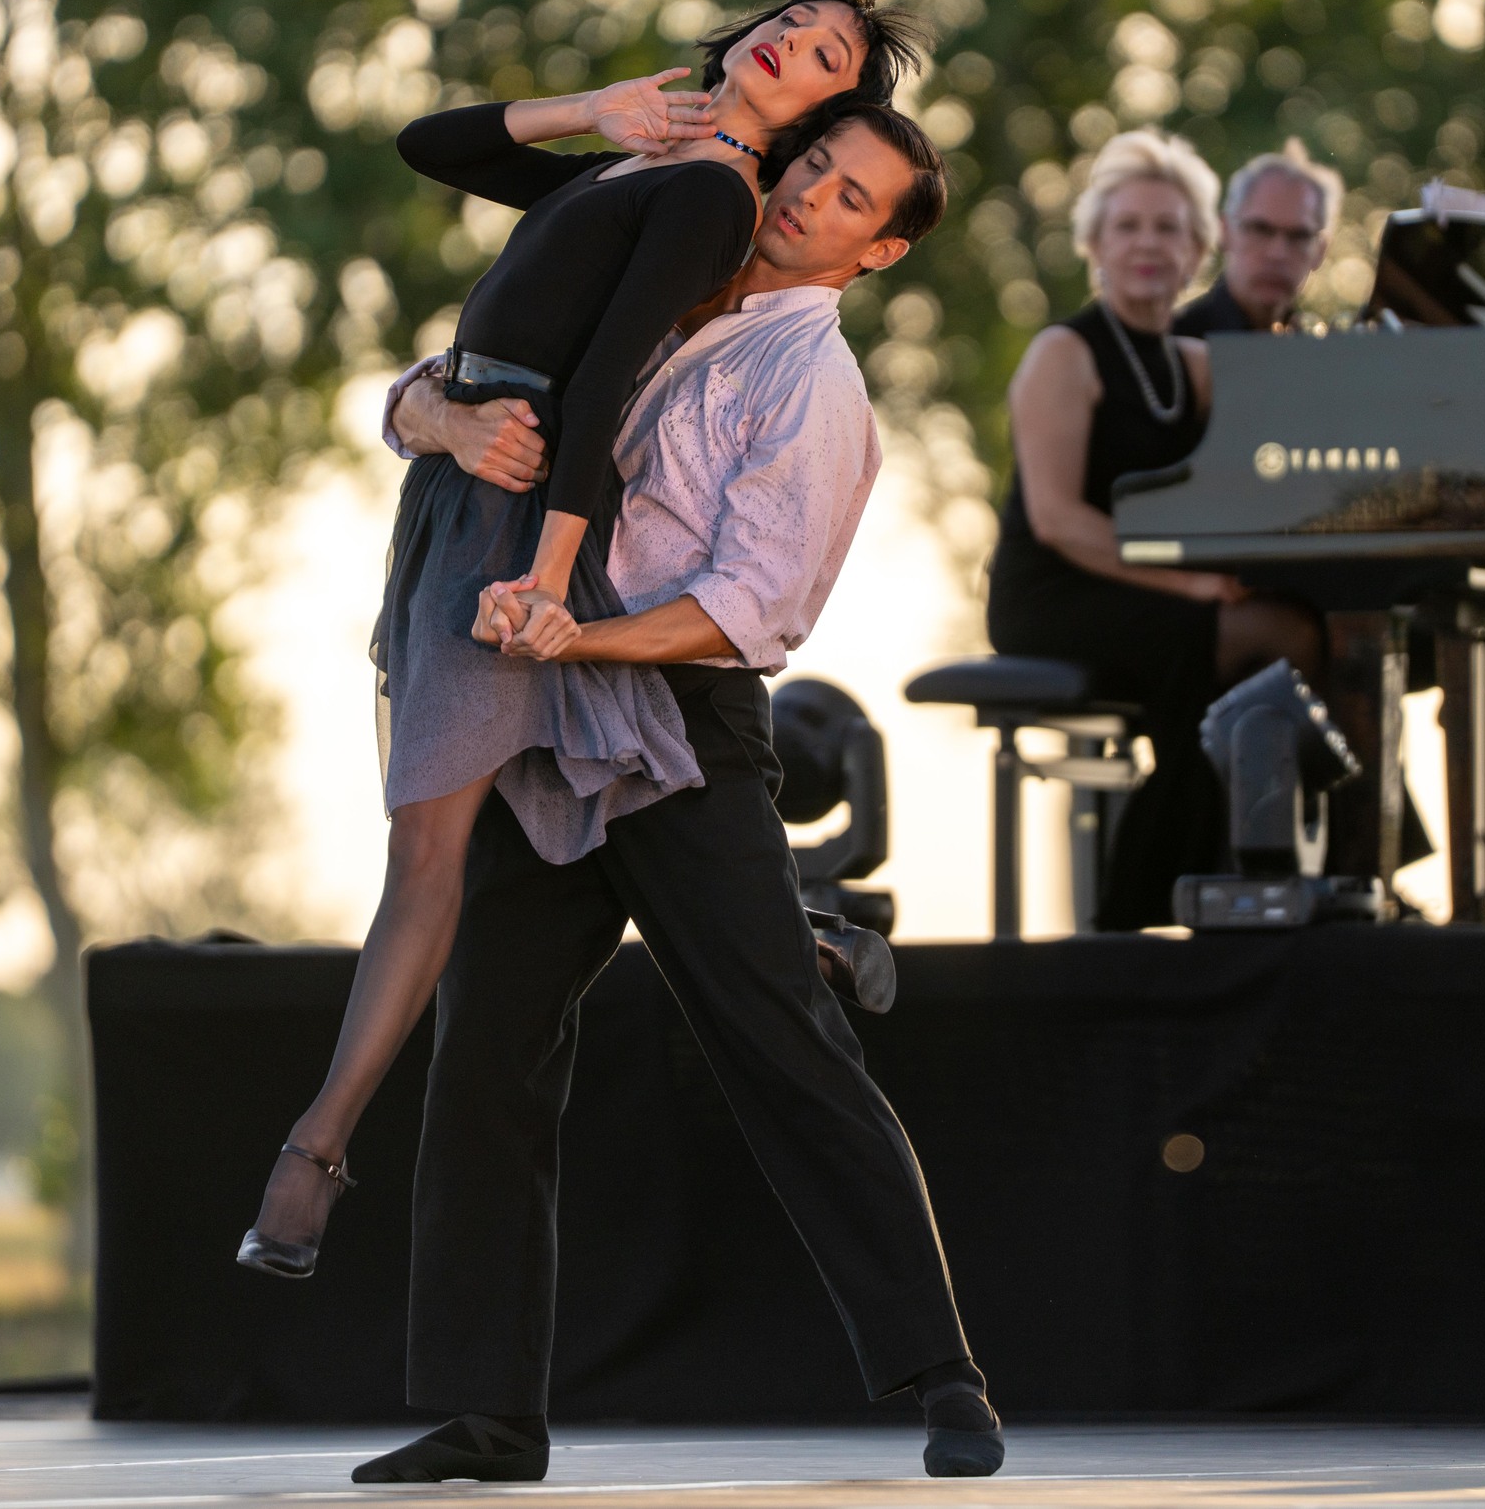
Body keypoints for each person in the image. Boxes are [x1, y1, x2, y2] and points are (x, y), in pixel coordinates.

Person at [236, 0, 921, 1294]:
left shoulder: (715, 203)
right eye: (793, 20)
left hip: (522, 529)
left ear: (814, 122)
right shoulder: (645, 162)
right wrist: (589, 112)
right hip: (454, 502)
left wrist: (549, 578)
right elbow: (429, 145)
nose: (794, 41)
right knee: (549, 804)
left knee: (432, 850)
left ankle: (314, 1153)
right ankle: (800, 934)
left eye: (829, 56)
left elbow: (600, 385)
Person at [350, 104, 1003, 1484]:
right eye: (814, 164)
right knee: (488, 1038)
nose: (811, 195)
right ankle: (485, 1411)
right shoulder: (657, 266)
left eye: (851, 198)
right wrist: (436, 415)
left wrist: (580, 636)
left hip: (682, 724)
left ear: (878, 250)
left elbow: (749, 610)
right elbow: (459, 372)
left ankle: (944, 1373)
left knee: (779, 1042)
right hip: (542, 708)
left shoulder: (814, 385)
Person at [986, 131, 1324, 932]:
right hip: (1054, 595)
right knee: (1275, 640)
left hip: (1144, 591)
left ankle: (1232, 888)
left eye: (1168, 228)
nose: (1147, 244)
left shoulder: (1191, 365)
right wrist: (1194, 584)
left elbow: (1291, 440)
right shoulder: (1065, 353)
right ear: (1096, 245)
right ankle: (1141, 911)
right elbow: (1058, 522)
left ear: (1201, 249)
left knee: (1278, 644)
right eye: (1128, 226)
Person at [1171, 139, 1343, 337]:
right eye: (1260, 230)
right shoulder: (1174, 343)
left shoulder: (1320, 348)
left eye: (1299, 236)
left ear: (1320, 251)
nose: (1277, 253)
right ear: (1225, 232)